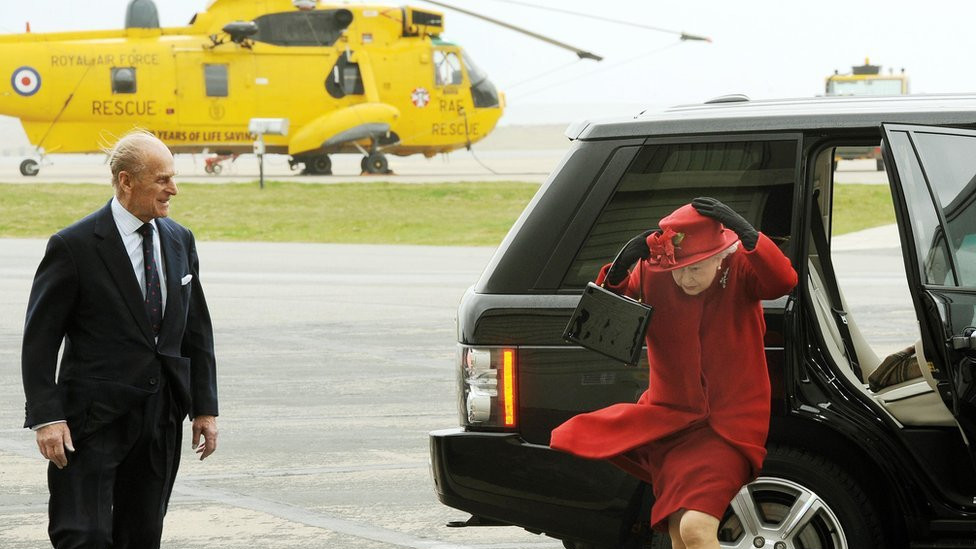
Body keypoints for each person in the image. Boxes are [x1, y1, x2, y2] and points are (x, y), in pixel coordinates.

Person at [550, 197, 797, 549]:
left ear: (718, 257)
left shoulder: (740, 265)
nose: (684, 277)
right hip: (671, 424)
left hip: (729, 426)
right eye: (678, 269)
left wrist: (745, 231)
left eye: (695, 268)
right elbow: (606, 317)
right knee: (682, 534)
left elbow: (783, 281)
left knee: (696, 530)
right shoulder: (655, 271)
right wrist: (621, 265)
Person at [21, 130, 219, 548]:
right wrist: (46, 417)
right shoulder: (73, 246)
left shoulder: (179, 239)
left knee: (142, 534)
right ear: (126, 181)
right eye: (162, 179)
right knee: (83, 534)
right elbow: (40, 340)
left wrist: (204, 407)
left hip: (160, 415)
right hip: (91, 421)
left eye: (173, 177)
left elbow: (196, 328)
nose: (174, 189)